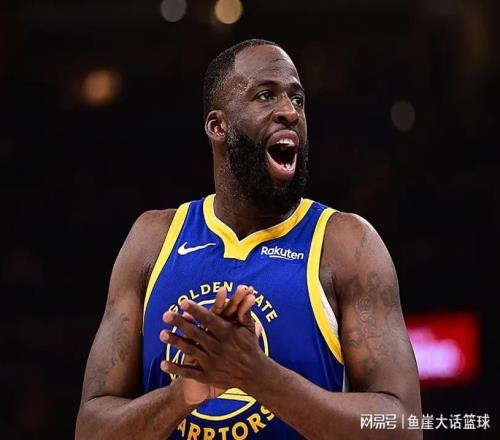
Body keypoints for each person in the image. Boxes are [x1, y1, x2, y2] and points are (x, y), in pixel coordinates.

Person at [76, 39, 421, 439]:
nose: (290, 112)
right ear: (218, 126)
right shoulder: (152, 241)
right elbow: (90, 430)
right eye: (265, 95)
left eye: (298, 99)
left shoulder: (347, 246)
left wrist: (256, 375)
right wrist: (183, 394)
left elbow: (405, 426)